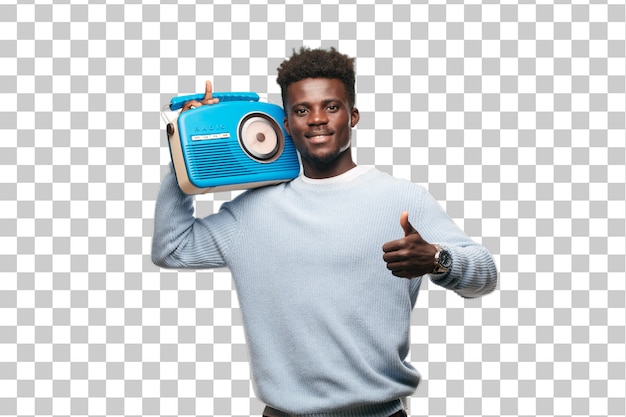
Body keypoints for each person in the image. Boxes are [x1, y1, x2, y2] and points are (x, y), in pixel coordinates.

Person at [152, 47, 498, 417]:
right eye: (302, 110)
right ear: (286, 123)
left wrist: (437, 260)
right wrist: (184, 145)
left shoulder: (403, 199)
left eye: (331, 107)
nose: (317, 119)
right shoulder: (253, 211)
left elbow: (485, 276)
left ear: (353, 116)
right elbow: (171, 249)